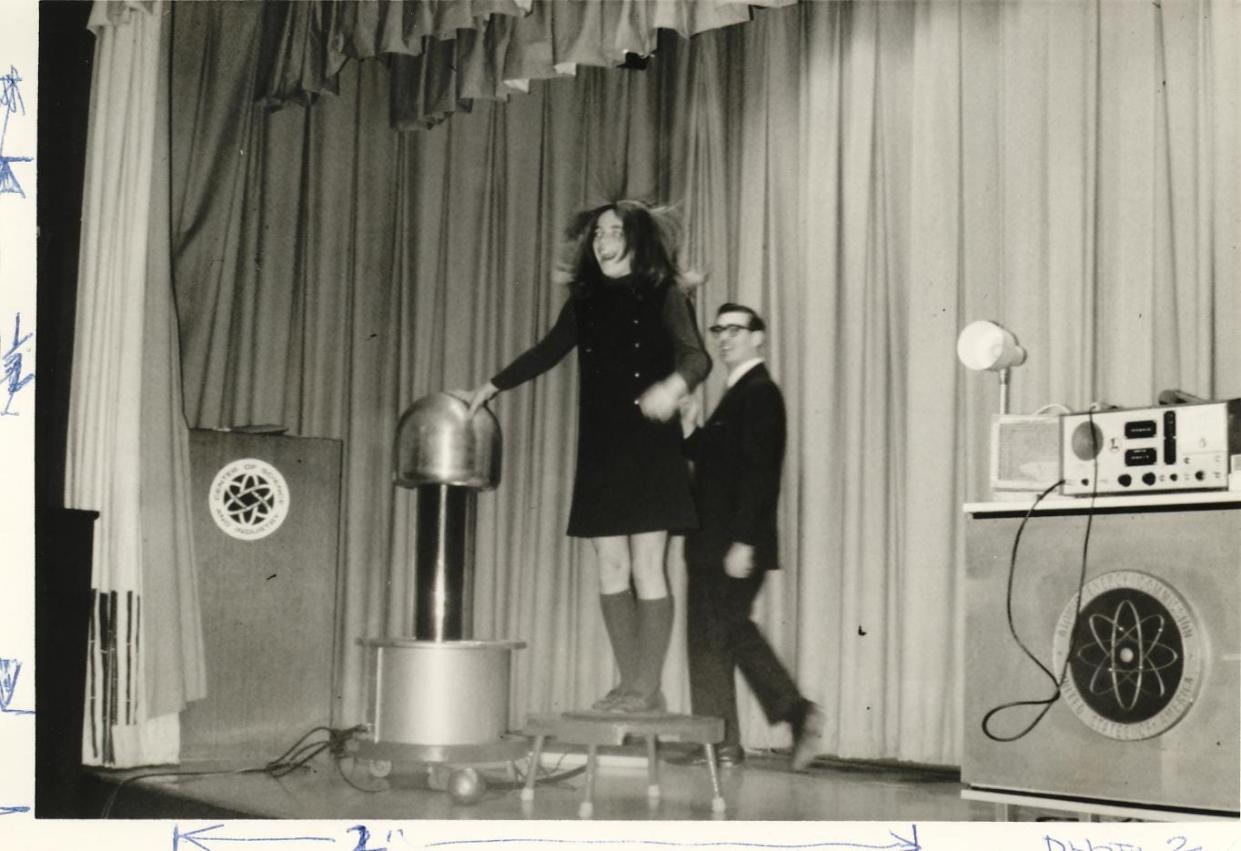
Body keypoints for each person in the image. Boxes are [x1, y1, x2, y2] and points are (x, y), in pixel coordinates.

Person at [467, 200, 710, 714]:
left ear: (637, 239)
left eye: (615, 232)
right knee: (610, 568)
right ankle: (636, 685)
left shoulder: (662, 292)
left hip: (649, 443)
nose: (602, 242)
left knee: (647, 565)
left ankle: (643, 689)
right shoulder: (586, 301)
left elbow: (696, 356)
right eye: (597, 233)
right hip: (602, 447)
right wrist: (489, 387)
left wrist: (673, 387)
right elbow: (547, 351)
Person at [675, 303, 825, 769]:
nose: (723, 337)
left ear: (759, 338)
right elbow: (719, 463)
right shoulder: (736, 392)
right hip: (711, 541)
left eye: (736, 329)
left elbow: (762, 475)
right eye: (719, 329)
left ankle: (796, 714)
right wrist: (690, 427)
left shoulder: (760, 393)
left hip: (732, 542)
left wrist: (744, 541)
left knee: (726, 631)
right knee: (709, 639)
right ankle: (720, 743)